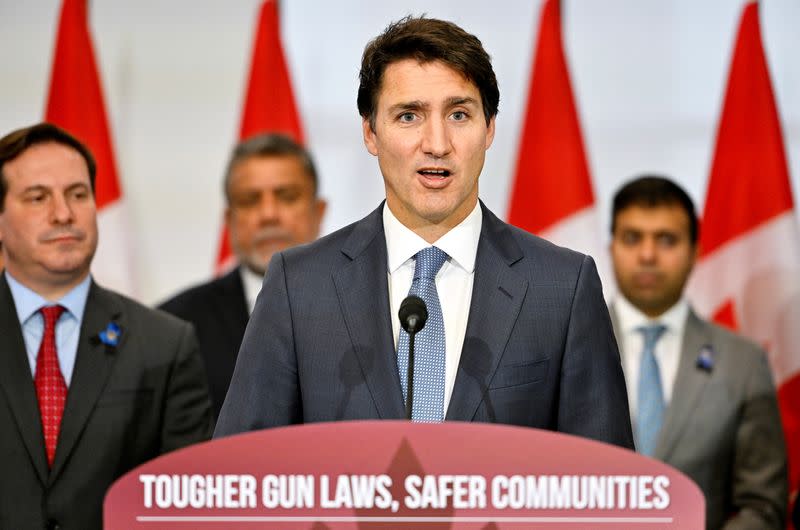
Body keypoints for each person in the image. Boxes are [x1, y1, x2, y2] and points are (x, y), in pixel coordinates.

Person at [215, 16, 633, 449]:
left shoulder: (562, 288)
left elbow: (606, 488)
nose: (437, 143)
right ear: (370, 132)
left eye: (459, 114)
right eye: (409, 116)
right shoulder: (299, 285)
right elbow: (240, 475)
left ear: (489, 128)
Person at [0, 123, 213, 530]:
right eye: (37, 197)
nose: (63, 213)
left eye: (78, 195)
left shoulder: (164, 344)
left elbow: (188, 507)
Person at [608, 176, 787, 529]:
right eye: (632, 238)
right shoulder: (563, 346)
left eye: (666, 240)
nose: (647, 255)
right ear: (611, 247)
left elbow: (764, 506)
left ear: (695, 251)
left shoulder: (743, 363)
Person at [159, 133, 326, 419]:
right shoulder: (174, 326)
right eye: (250, 201)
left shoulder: (372, 306)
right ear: (229, 221)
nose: (269, 214)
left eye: (287, 197)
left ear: (318, 212)